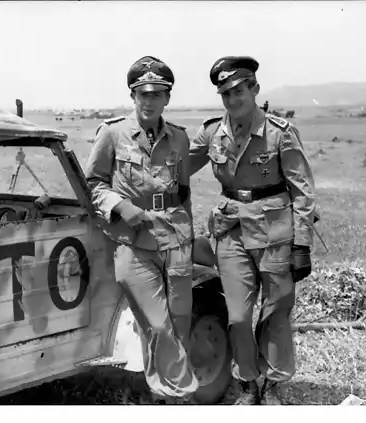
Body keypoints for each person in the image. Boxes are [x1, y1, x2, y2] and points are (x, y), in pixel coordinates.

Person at [189, 56, 318, 405]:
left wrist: (302, 245)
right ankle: (246, 380)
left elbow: (303, 191)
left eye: (239, 91)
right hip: (230, 231)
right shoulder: (212, 132)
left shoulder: (281, 133)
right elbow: (177, 168)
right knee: (238, 315)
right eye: (226, 94)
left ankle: (273, 383)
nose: (233, 100)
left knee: (276, 312)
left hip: (275, 232)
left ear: (254, 89)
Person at [84, 56, 198, 402]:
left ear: (167, 98)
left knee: (177, 323)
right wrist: (121, 206)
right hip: (132, 242)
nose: (149, 101)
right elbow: (92, 184)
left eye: (157, 94)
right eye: (142, 94)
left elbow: (183, 191)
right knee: (157, 324)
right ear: (133, 96)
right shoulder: (112, 133)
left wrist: (188, 234)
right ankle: (184, 393)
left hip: (175, 238)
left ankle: (160, 393)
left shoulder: (179, 138)